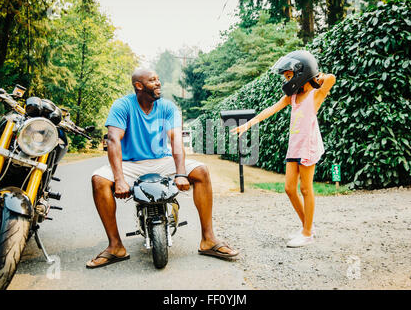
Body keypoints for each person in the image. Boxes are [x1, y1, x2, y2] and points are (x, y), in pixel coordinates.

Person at [86, 68, 238, 268]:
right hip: (129, 163)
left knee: (201, 171)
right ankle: (115, 247)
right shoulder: (122, 105)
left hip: (161, 160)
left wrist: (181, 173)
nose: (158, 83)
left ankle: (208, 239)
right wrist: (120, 178)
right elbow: (114, 139)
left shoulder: (167, 107)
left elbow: (175, 140)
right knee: (98, 180)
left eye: (158, 79)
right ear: (139, 86)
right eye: (152, 80)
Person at [231, 50, 336, 248]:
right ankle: (308, 227)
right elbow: (270, 109)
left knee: (305, 188)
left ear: (301, 74)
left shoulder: (315, 95)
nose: (287, 80)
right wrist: (249, 124)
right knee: (289, 189)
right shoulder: (292, 98)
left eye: (289, 76)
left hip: (308, 146)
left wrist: (318, 76)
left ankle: (307, 233)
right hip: (294, 146)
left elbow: (331, 79)